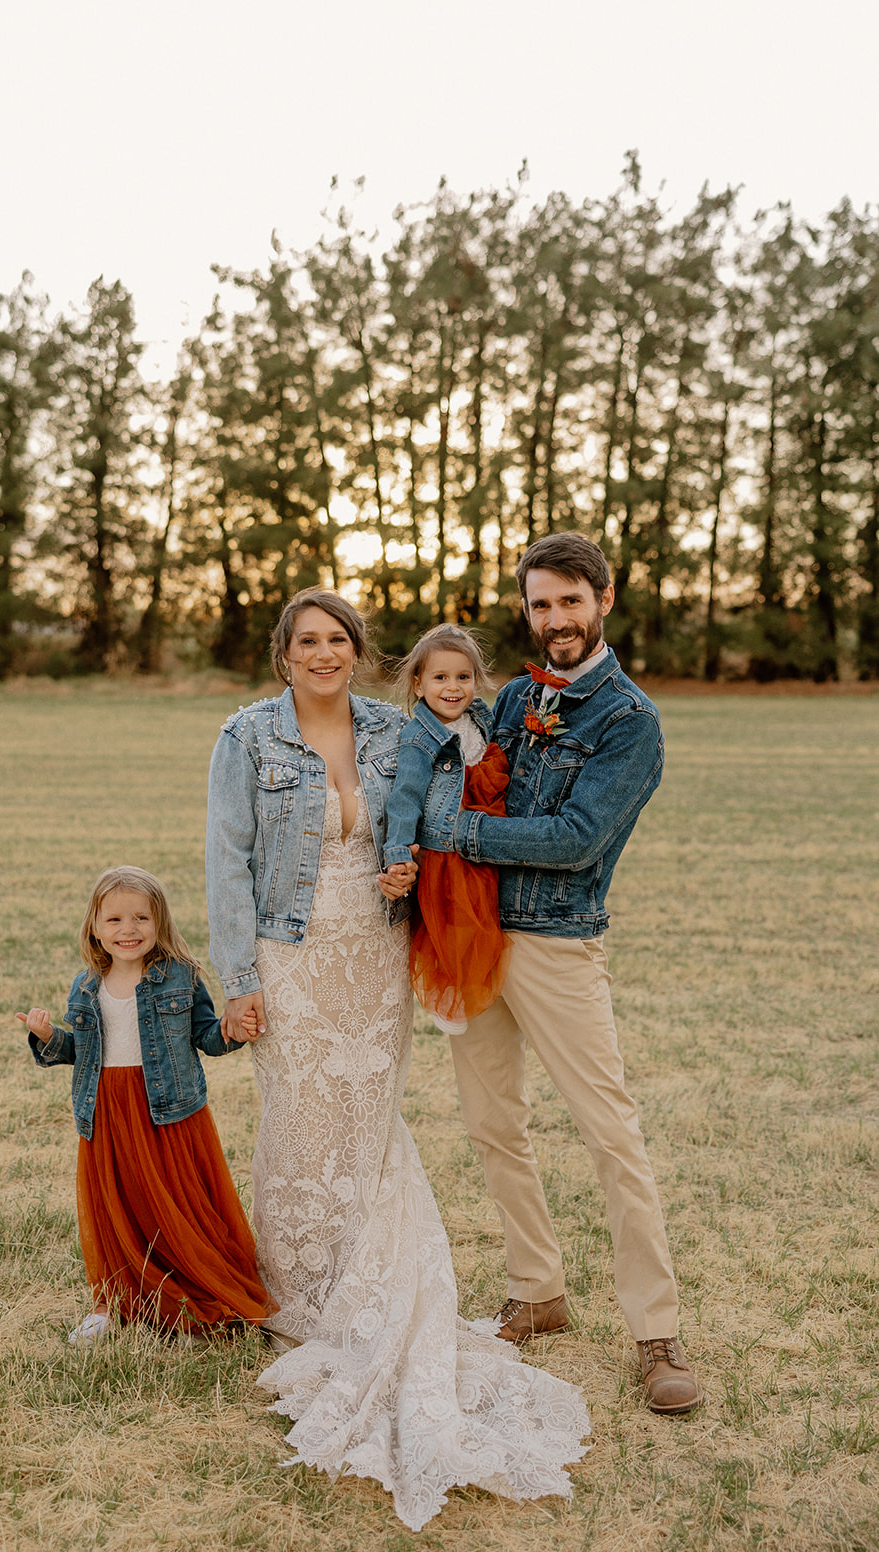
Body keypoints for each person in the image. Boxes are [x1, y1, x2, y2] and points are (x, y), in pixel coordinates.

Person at [205, 589, 590, 1534]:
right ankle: (297, 1288)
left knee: (367, 1121)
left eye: (338, 640)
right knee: (299, 1114)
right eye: (307, 642)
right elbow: (225, 856)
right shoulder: (247, 736)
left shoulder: (397, 726)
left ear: (360, 651)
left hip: (375, 951)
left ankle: (367, 1282)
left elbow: (445, 807)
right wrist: (236, 978)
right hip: (290, 952)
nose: (324, 654)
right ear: (282, 654)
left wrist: (413, 868)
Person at [447, 532, 702, 1415]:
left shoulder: (628, 721)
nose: (553, 618)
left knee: (610, 1135)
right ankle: (537, 1289)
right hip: (476, 941)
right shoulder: (515, 696)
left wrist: (458, 838)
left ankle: (656, 1333)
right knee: (491, 1123)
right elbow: (451, 766)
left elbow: (573, 840)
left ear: (603, 600)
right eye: (539, 603)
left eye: (568, 601)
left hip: (556, 943)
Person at [18, 864, 273, 1344]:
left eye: (140, 918)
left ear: (160, 923)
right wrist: (50, 1037)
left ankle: (193, 1299)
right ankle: (112, 1302)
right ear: (95, 927)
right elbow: (83, 1051)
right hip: (108, 1112)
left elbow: (204, 1036)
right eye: (114, 920)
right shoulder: (86, 986)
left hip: (168, 1110)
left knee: (176, 1208)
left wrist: (230, 1030)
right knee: (119, 1208)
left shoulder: (180, 977)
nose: (128, 930)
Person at [381, 623, 512, 1033]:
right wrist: (398, 851)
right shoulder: (420, 738)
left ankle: (483, 986)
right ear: (419, 684)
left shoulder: (480, 720)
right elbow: (404, 799)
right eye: (440, 678)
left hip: (485, 838)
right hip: (446, 850)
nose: (453, 688)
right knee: (454, 925)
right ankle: (453, 995)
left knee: (486, 917)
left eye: (463, 677)